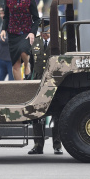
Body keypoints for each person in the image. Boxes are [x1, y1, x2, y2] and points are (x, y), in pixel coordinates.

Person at [27, 20, 63, 155]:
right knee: (36, 114)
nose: (45, 36)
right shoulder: (35, 41)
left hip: (55, 82)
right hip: (38, 81)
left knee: (57, 114)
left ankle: (57, 145)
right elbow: (31, 61)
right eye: (43, 33)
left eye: (47, 33)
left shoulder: (60, 42)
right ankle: (38, 145)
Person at [0, 0, 40, 80]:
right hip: (12, 34)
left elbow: (36, 19)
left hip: (26, 32)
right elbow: (6, 16)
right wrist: (3, 29)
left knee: (23, 51)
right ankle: (20, 87)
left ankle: (27, 64)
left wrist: (32, 32)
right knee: (15, 65)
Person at [0, 4, 14, 81]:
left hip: (11, 59)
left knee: (12, 85)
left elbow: (9, 40)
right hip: (1, 58)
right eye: (0, 13)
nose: (1, 15)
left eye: (2, 13)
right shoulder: (3, 23)